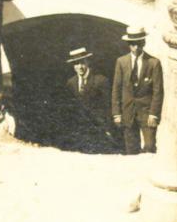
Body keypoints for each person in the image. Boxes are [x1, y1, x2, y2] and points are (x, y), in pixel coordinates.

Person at [111, 26, 164, 154]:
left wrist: (154, 114)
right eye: (132, 44)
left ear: (144, 43)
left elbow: (158, 91)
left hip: (147, 113)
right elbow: (116, 89)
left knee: (150, 147)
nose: (136, 47)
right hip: (128, 112)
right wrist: (117, 113)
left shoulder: (153, 63)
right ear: (128, 44)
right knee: (131, 149)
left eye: (139, 43)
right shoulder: (121, 62)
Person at [65, 47, 110, 131]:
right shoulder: (71, 82)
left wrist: (105, 127)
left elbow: (107, 106)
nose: (80, 67)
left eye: (82, 63)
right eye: (76, 64)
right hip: (78, 128)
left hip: (98, 127)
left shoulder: (100, 80)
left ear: (88, 62)